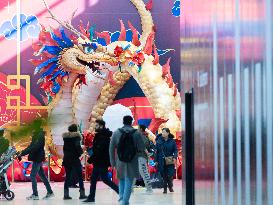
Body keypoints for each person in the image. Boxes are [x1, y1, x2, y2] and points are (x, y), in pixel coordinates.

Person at [109, 116, 145, 205]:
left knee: (121, 180)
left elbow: (111, 148)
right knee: (129, 180)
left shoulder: (117, 132)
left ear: (123, 122)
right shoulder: (137, 133)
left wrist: (112, 162)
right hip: (133, 160)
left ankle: (122, 199)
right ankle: (124, 202)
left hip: (120, 160)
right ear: (131, 122)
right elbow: (141, 147)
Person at [83, 119, 119, 203]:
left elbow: (99, 150)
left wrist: (89, 160)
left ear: (101, 126)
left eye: (96, 125)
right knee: (95, 179)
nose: (95, 127)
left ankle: (120, 192)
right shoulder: (100, 135)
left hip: (102, 161)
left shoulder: (103, 137)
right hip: (99, 161)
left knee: (104, 179)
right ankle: (91, 197)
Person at [18, 127, 54, 200]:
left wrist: (23, 153)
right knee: (42, 176)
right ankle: (50, 192)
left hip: (38, 158)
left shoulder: (39, 135)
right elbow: (31, 146)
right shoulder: (36, 135)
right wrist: (22, 152)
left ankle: (35, 194)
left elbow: (34, 147)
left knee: (32, 175)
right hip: (37, 157)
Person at [62, 124, 86, 200]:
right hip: (74, 159)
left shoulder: (65, 138)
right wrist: (81, 152)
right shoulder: (76, 137)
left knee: (68, 177)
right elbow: (77, 146)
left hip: (66, 159)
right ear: (76, 129)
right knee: (80, 176)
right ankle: (82, 194)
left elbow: (64, 149)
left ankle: (66, 194)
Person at [155, 128, 178, 194]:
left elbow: (175, 150)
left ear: (168, 133)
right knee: (164, 175)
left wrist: (175, 157)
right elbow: (156, 151)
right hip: (161, 160)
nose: (163, 134)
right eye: (162, 132)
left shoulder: (172, 141)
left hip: (170, 159)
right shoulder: (159, 141)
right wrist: (156, 160)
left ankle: (170, 186)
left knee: (170, 174)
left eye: (164, 132)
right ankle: (165, 189)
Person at [136, 125, 153, 193]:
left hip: (141, 157)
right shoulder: (143, 137)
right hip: (139, 157)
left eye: (138, 128)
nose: (137, 129)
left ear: (140, 129)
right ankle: (130, 188)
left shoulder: (141, 137)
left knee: (144, 172)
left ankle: (149, 188)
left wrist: (148, 155)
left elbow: (143, 147)